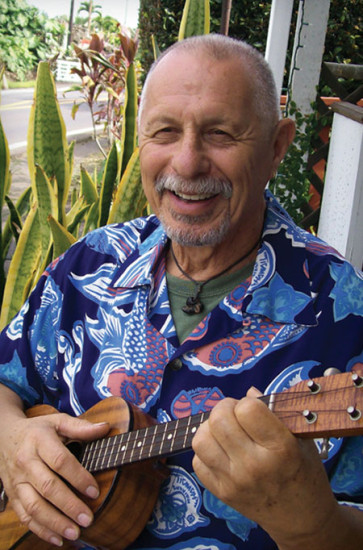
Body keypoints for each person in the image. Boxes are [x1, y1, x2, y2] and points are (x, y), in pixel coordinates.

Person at [0, 33, 362, 550]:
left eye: (219, 134)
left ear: (277, 147)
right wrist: (10, 439)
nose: (187, 164)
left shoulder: (346, 314)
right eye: (165, 132)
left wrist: (313, 526)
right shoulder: (92, 261)